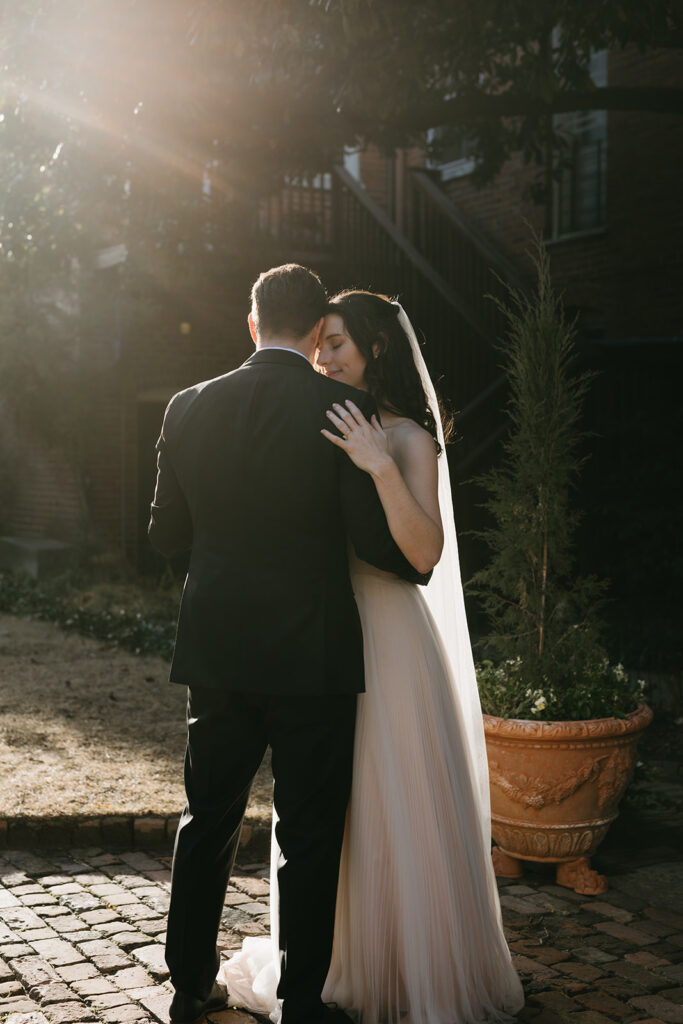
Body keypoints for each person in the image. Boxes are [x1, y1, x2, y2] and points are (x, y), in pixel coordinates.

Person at [223, 291, 524, 1024]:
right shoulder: (313, 421)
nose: (322, 357)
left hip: (389, 640)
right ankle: (335, 967)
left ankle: (415, 968)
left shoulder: (409, 439)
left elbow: (423, 553)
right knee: (329, 815)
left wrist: (376, 463)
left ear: (374, 350)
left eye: (336, 344)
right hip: (320, 637)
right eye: (319, 344)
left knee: (399, 804)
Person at [148, 267, 423, 1024]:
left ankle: (187, 986)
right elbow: (379, 547)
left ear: (251, 323)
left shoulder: (187, 405)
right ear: (313, 335)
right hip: (314, 654)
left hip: (219, 652)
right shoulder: (343, 407)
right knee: (309, 833)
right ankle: (303, 1002)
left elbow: (164, 537)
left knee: (207, 818)